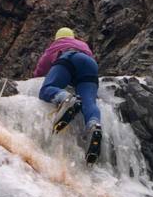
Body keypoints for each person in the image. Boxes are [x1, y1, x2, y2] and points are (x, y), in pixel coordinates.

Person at [34, 27, 102, 163]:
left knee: (46, 89)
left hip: (69, 58)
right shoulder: (83, 45)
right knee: (89, 102)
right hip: (91, 65)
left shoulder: (57, 45)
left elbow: (41, 68)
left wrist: (37, 76)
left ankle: (65, 98)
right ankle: (93, 126)